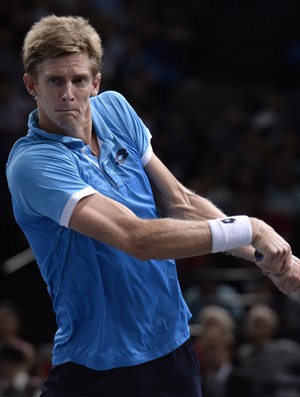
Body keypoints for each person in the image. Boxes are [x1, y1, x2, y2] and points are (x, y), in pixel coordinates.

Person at [5, 14, 300, 397]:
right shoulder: (33, 163)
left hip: (172, 353)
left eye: (78, 80)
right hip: (95, 370)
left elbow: (179, 201)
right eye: (54, 81)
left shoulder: (115, 109)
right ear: (32, 85)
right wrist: (254, 229)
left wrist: (265, 259)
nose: (67, 94)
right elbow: (137, 238)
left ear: (96, 82)